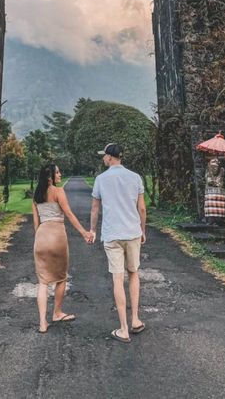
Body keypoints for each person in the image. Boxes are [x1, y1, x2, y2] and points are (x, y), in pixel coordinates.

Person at [90, 143, 146, 343]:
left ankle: (123, 328)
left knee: (117, 279)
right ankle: (136, 320)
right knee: (133, 274)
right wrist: (143, 230)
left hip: (112, 234)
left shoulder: (101, 179)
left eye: (104, 156)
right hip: (132, 232)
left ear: (110, 157)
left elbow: (95, 209)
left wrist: (93, 230)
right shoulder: (135, 177)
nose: (103, 159)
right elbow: (141, 209)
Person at [32, 163, 93, 333]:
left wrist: (39, 240)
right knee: (61, 278)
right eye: (57, 172)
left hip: (41, 238)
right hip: (57, 237)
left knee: (43, 282)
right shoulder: (58, 192)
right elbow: (69, 214)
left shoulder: (36, 196)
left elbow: (36, 224)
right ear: (50, 176)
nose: (60, 174)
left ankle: (42, 323)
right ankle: (57, 313)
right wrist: (84, 233)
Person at [204, 157, 225, 224]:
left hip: (219, 192)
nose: (215, 167)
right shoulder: (208, 170)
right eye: (213, 164)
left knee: (220, 206)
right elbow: (209, 181)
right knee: (211, 206)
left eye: (216, 164)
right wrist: (214, 182)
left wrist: (217, 179)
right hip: (210, 191)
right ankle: (211, 220)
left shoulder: (221, 170)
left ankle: (219, 220)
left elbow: (220, 182)